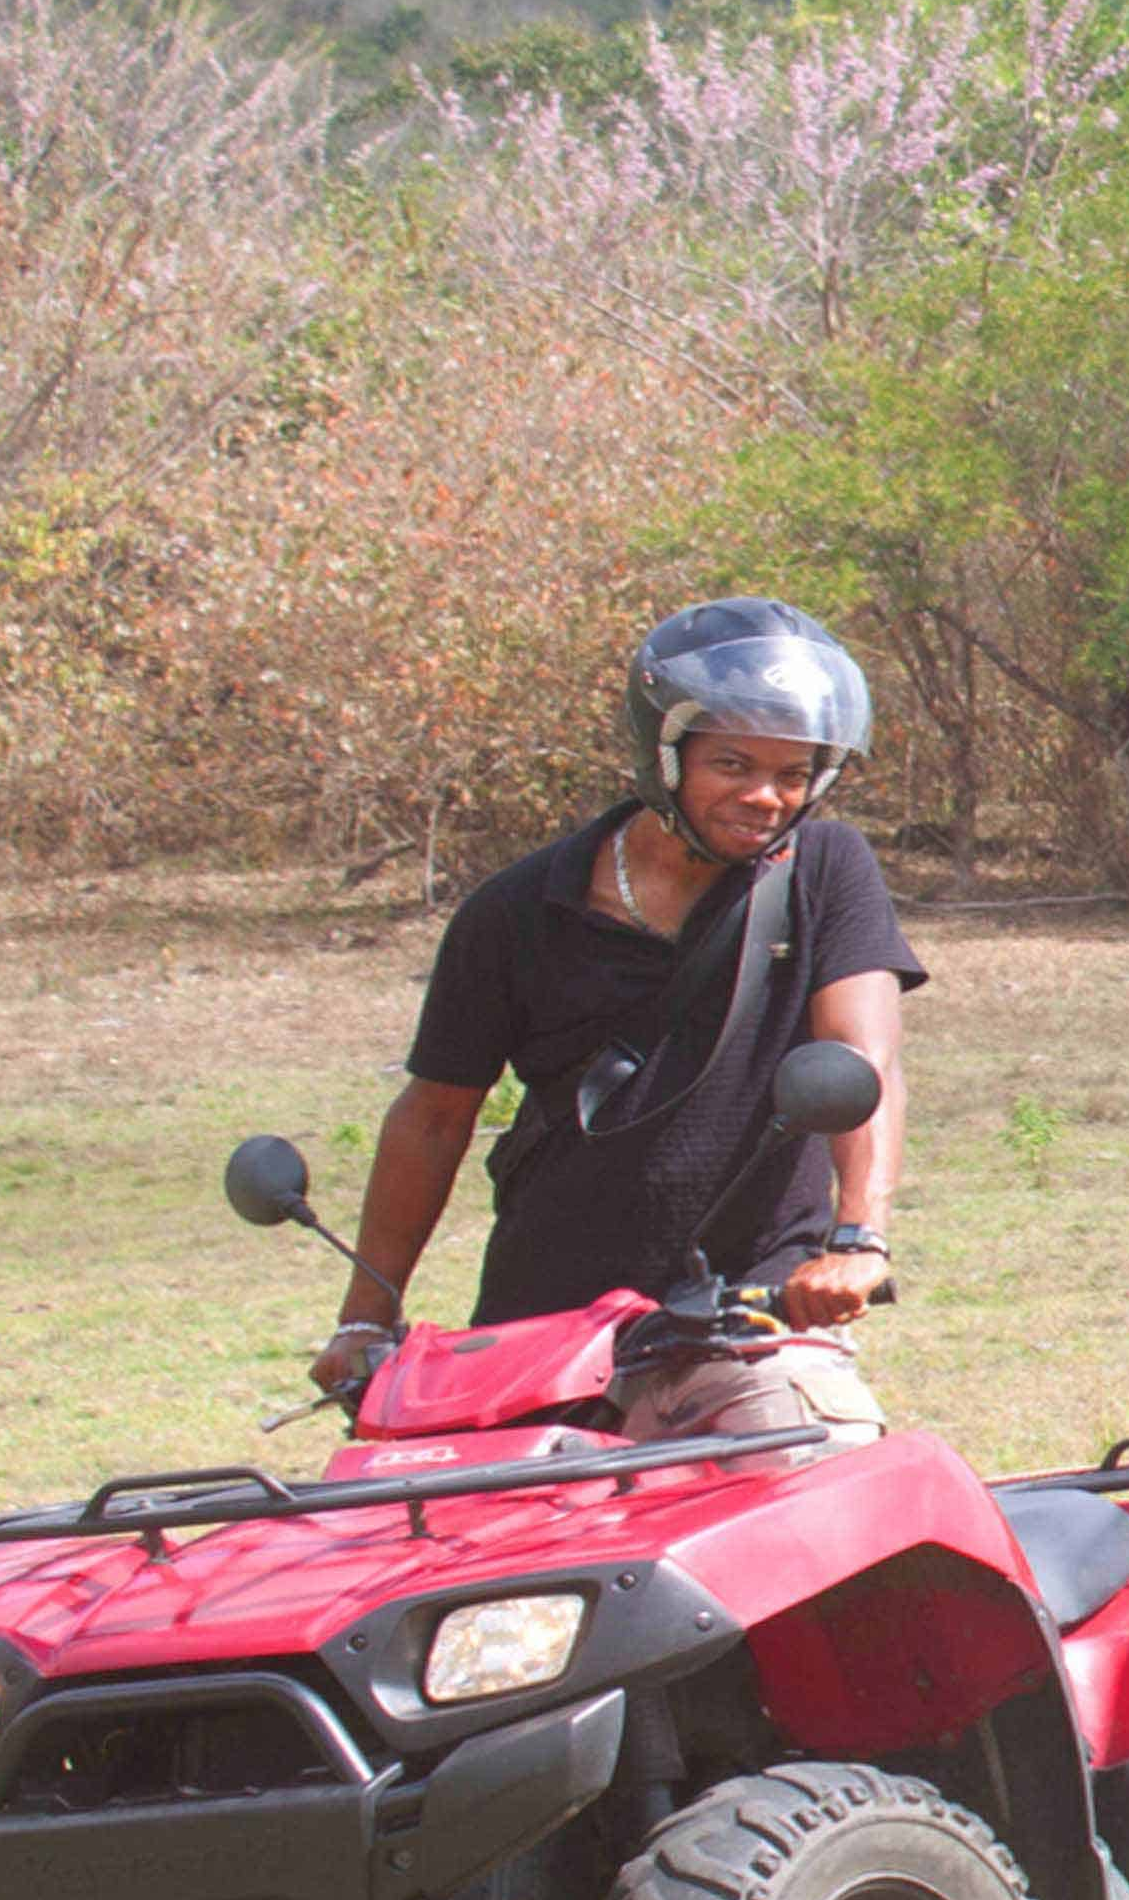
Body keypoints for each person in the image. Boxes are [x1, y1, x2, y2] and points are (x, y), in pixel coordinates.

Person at [308, 600, 927, 1447]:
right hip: (544, 1326)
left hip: (752, 1315)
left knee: (829, 1485)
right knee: (470, 1556)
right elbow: (433, 1115)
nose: (765, 796)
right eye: (733, 763)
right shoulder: (517, 911)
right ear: (664, 756)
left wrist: (859, 1236)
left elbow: (862, 1059)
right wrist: (365, 1316)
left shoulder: (825, 867)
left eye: (794, 773)